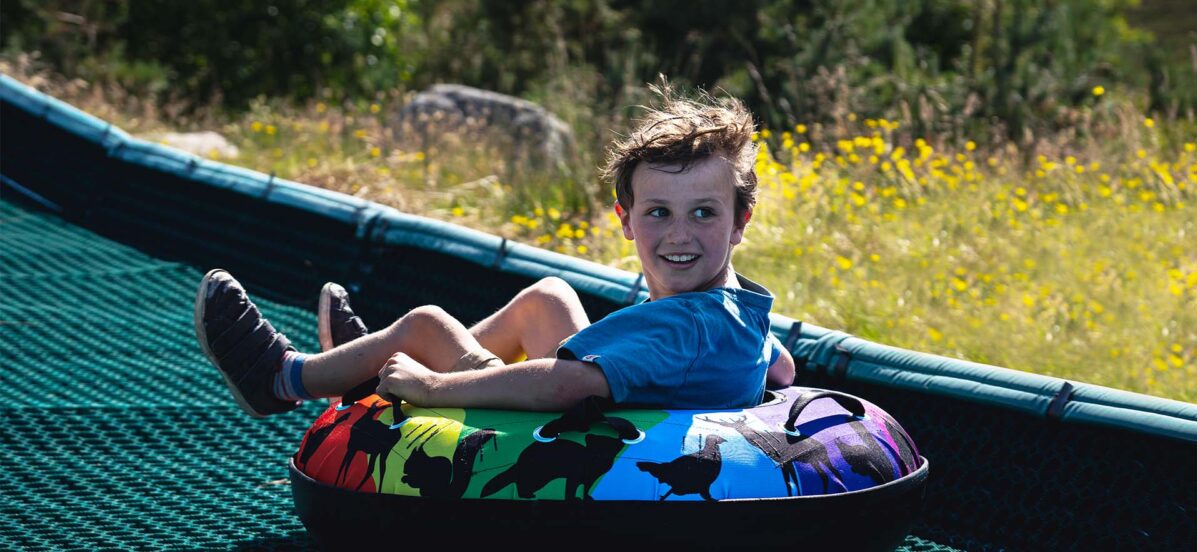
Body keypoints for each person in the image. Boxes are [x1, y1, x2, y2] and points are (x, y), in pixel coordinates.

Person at [194, 83, 795, 417]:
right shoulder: (735, 310)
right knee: (549, 297)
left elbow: (563, 386)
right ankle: (364, 370)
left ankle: (283, 378)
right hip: (625, 406)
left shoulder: (679, 328)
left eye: (704, 213)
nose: (680, 233)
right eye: (659, 212)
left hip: (582, 434)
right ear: (627, 220)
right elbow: (781, 368)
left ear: (740, 220)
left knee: (426, 325)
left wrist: (432, 388)